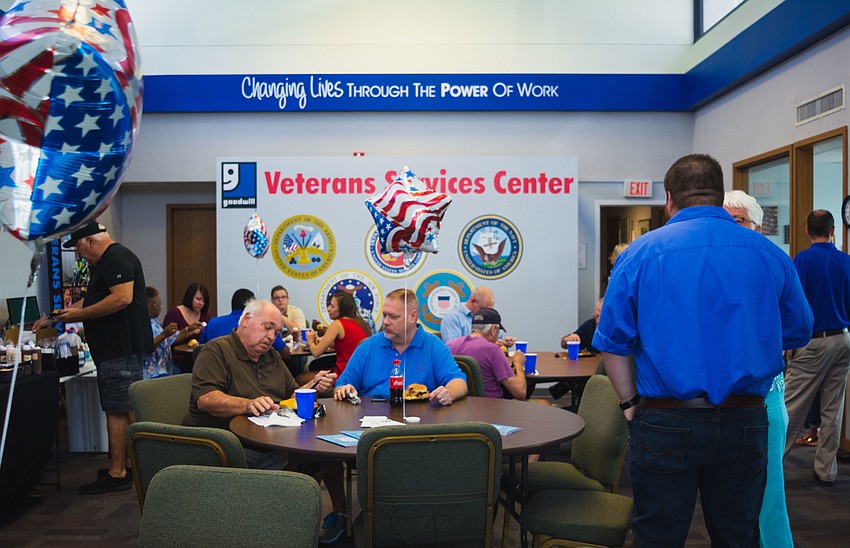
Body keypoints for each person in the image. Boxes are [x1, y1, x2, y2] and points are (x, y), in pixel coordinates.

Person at [593, 154, 813, 546]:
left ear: (669, 200)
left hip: (665, 418)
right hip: (745, 418)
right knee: (738, 536)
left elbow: (612, 342)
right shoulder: (769, 254)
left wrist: (629, 403)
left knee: (658, 537)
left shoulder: (639, 254)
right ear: (718, 194)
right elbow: (799, 331)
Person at [324, 289, 468, 543]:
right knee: (325, 448)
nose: (385, 322)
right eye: (384, 315)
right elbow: (343, 383)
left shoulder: (433, 345)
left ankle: (409, 517)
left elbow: (459, 382)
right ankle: (340, 512)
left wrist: (449, 392)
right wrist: (343, 389)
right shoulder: (369, 346)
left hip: (417, 434)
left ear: (412, 316)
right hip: (369, 431)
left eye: (393, 317)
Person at [52, 222, 155, 494]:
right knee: (124, 408)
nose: (78, 254)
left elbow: (122, 298)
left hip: (119, 349)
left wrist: (80, 316)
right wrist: (59, 316)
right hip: (117, 349)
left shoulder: (116, 258)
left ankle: (117, 472)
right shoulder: (106, 262)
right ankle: (131, 466)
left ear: (90, 241)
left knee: (117, 410)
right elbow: (91, 301)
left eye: (78, 247)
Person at [183, 299, 336, 468]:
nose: (271, 337)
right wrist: (247, 405)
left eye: (276, 333)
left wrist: (313, 384)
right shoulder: (215, 351)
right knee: (303, 459)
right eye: (267, 327)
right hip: (225, 446)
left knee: (322, 454)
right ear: (246, 319)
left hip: (270, 441)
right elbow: (205, 399)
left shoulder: (272, 356)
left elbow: (291, 396)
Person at [723, 189, 793, 547]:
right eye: (725, 220)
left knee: (769, 495)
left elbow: (796, 326)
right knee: (733, 502)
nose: (730, 228)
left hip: (764, 397)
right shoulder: (721, 266)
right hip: (729, 402)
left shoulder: (772, 264)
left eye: (737, 221)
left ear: (757, 227)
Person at [783, 210, 850, 487]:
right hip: (842, 340)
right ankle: (826, 471)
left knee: (790, 409)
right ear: (833, 231)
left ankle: (769, 468)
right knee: (832, 411)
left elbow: (794, 303)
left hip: (812, 342)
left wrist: (789, 341)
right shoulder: (846, 261)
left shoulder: (803, 260)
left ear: (807, 230)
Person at [447, 307, 527, 400]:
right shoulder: (493, 350)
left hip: (459, 405)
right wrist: (518, 364)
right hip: (491, 406)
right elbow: (520, 393)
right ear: (493, 330)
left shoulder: (450, 345)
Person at [305, 290, 371, 376]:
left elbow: (316, 352)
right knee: (315, 365)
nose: (328, 309)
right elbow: (348, 344)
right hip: (361, 374)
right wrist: (330, 343)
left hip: (344, 374)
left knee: (300, 378)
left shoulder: (337, 324)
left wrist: (310, 341)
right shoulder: (360, 322)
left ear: (342, 309)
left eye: (332, 306)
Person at [144, 286, 198, 379]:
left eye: (160, 303)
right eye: (157, 304)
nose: (160, 307)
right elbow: (146, 348)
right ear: (147, 305)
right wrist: (164, 335)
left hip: (164, 371)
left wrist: (188, 330)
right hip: (151, 375)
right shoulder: (142, 325)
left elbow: (169, 340)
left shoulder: (155, 322)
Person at [440, 286, 516, 348]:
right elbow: (454, 348)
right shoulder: (452, 318)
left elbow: (496, 338)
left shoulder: (487, 316)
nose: (487, 312)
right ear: (473, 301)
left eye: (490, 309)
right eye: (484, 308)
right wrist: (488, 345)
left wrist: (503, 342)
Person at [163, 282, 210, 372]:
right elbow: (167, 340)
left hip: (199, 360)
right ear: (190, 297)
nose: (201, 303)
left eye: (204, 301)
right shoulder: (174, 314)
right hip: (177, 361)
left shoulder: (205, 316)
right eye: (198, 299)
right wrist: (188, 332)